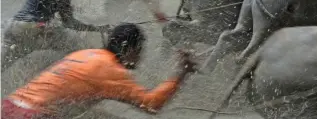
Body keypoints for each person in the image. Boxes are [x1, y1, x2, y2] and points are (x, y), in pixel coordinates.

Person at [1, 23, 196, 119]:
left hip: (9, 107)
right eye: (139, 51)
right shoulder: (111, 71)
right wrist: (182, 73)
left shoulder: (86, 54)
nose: (140, 57)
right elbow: (151, 105)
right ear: (128, 48)